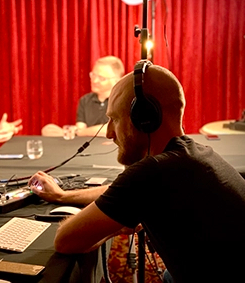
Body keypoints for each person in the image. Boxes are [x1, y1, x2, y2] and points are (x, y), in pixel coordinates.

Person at [29, 63, 245, 282]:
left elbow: (65, 240)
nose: (109, 133)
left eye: (115, 119)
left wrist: (114, 225)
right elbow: (119, 189)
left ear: (144, 119)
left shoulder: (152, 172)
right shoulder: (196, 155)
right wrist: (63, 196)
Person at [41, 56, 125, 137]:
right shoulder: (85, 100)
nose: (95, 81)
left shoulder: (122, 101)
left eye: (101, 78)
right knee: (47, 129)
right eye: (93, 75)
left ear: (116, 80)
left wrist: (77, 132)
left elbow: (111, 129)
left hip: (112, 148)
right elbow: (80, 130)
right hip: (88, 147)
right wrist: (73, 132)